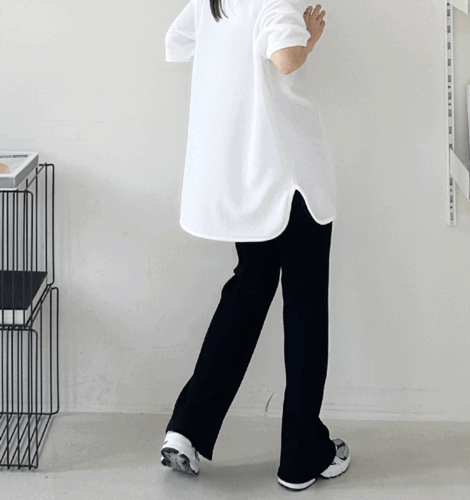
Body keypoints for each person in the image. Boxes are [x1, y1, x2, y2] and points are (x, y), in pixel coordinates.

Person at [161, 0, 350, 491]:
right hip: (290, 181)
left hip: (244, 186)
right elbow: (285, 59)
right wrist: (309, 38)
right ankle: (301, 457)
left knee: (247, 293)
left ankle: (186, 429)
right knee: (305, 309)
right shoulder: (274, 2)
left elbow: (177, 43)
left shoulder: (212, 4)